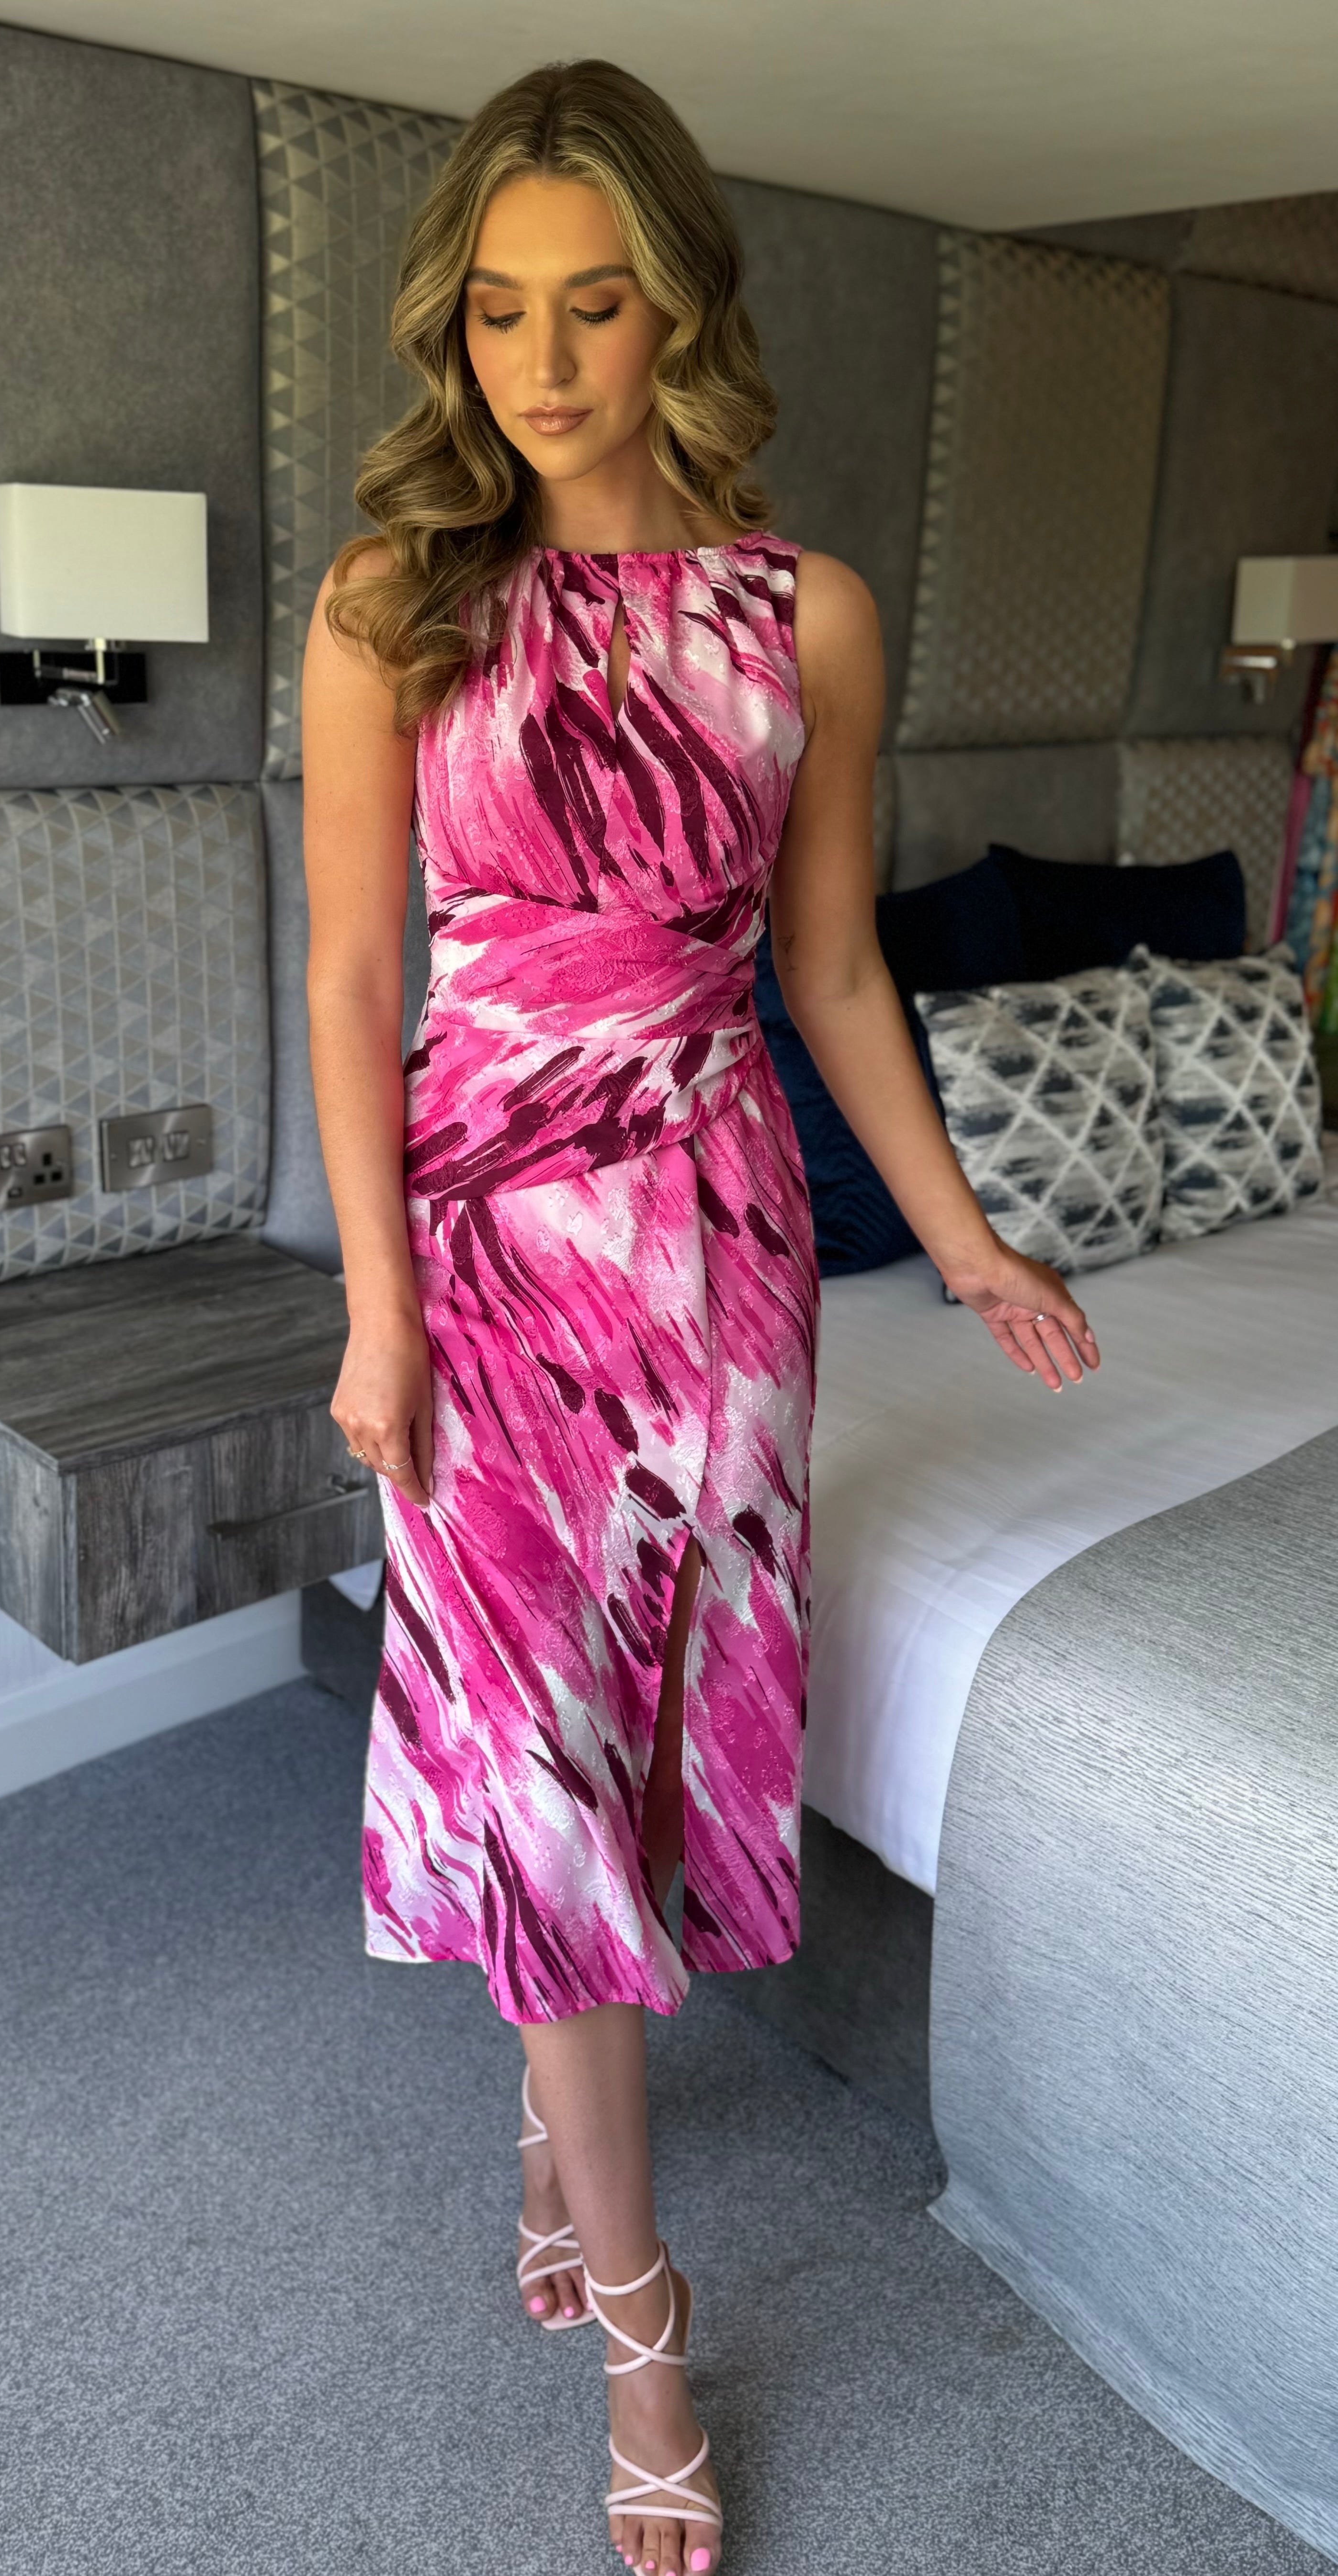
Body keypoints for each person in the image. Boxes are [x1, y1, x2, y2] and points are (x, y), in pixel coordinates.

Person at [301, 56, 1100, 2576]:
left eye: (596, 304)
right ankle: (646, 2317)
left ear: (677, 314)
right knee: (528, 1754)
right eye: (498, 311)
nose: (543, 363)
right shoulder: (392, 601)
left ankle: (564, 2130)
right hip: (483, 1254)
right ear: (456, 329)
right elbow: (353, 980)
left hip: (717, 1251)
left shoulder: (801, 615)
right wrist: (377, 1308)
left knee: (643, 1725)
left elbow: (831, 966)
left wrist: (962, 1239)